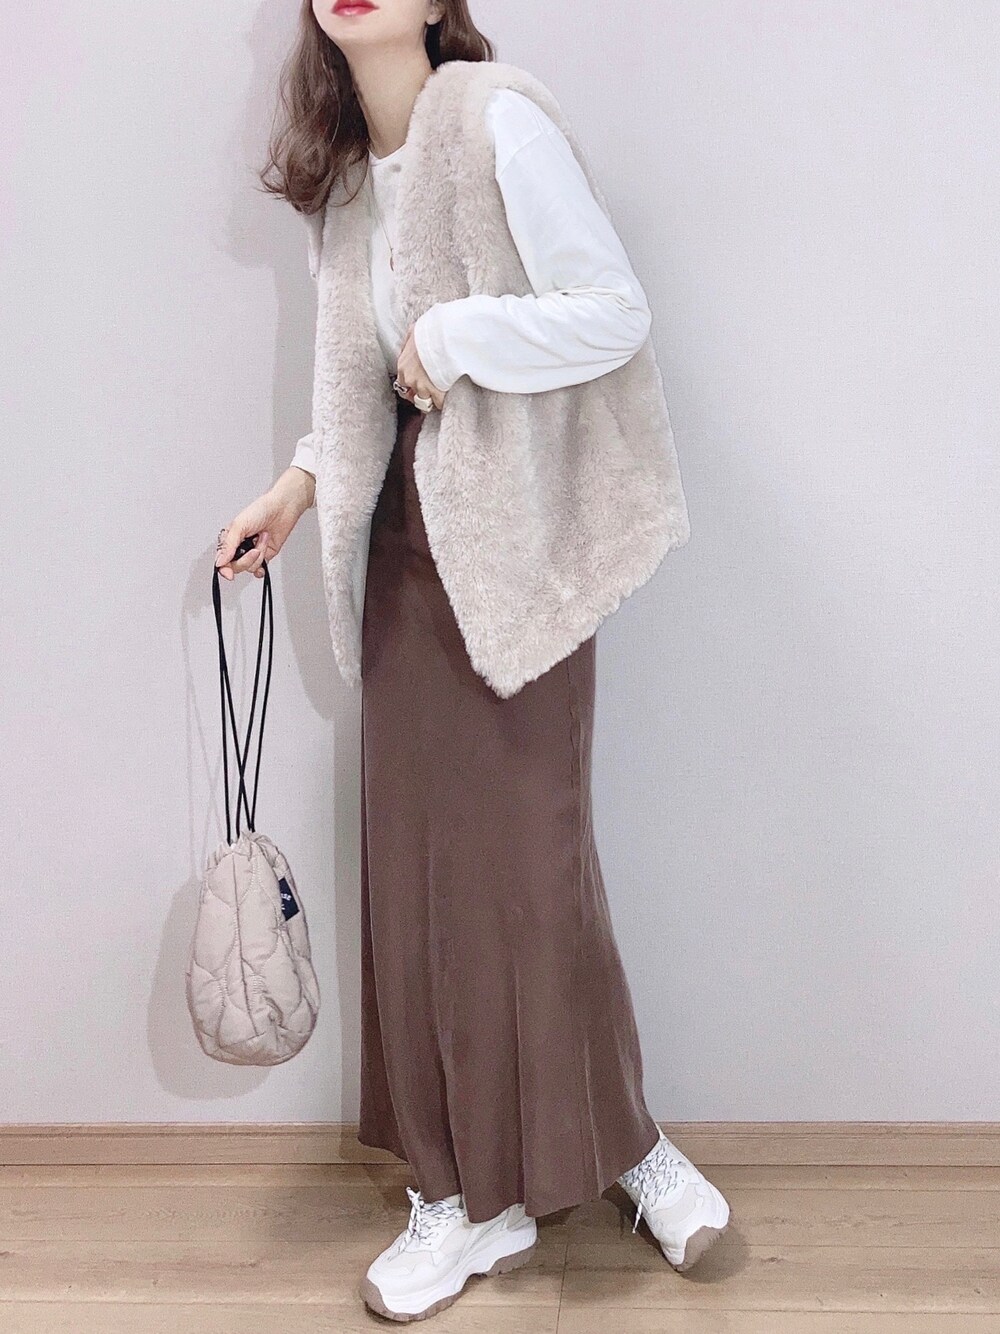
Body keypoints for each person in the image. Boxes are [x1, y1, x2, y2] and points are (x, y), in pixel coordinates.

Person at [215, 0, 730, 1321]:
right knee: (417, 882)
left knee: (533, 873)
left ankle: (625, 1144)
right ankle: (453, 1198)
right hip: (401, 553)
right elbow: (355, 379)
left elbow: (611, 311)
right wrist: (295, 488)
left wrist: (455, 337)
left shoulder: (498, 120)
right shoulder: (347, 179)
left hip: (509, 556)